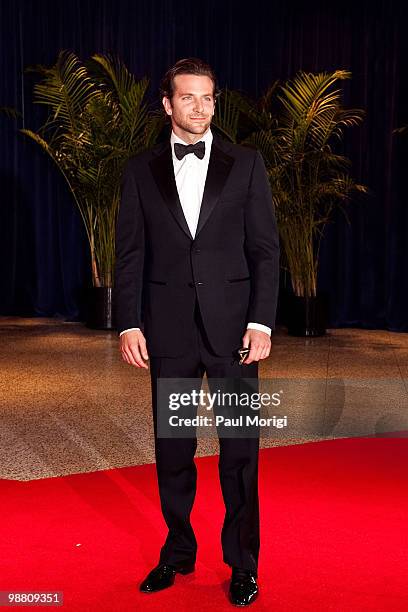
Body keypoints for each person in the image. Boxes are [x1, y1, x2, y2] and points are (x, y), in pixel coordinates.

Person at [114, 57, 280, 607]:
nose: (201, 108)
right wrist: (130, 322)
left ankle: (243, 563)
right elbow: (130, 253)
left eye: (208, 98)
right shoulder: (140, 170)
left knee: (240, 452)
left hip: (236, 331)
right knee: (173, 451)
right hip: (168, 332)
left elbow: (264, 249)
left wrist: (261, 322)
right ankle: (178, 551)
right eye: (188, 97)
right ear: (167, 104)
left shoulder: (247, 164)